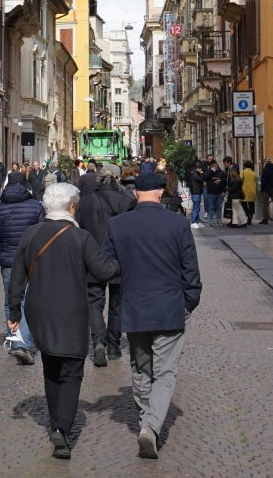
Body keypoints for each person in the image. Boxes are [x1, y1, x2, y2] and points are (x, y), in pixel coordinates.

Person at [8, 182, 119, 460]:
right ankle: (62, 428)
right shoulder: (80, 237)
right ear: (71, 207)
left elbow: (17, 277)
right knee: (72, 371)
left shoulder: (31, 234)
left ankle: (56, 420)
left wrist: (13, 313)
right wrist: (124, 256)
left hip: (39, 312)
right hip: (71, 312)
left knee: (51, 367)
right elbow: (104, 271)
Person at [102, 167, 201, 459]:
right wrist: (189, 302)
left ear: (135, 193)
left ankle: (147, 419)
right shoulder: (178, 224)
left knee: (140, 367)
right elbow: (190, 270)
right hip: (170, 307)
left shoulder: (118, 225)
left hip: (134, 307)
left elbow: (109, 266)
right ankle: (151, 427)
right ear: (160, 192)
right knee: (165, 372)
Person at [78, 166, 134, 366]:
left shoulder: (84, 203)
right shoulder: (126, 201)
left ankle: (99, 341)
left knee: (95, 302)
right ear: (117, 179)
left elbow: (79, 232)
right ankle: (113, 346)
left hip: (92, 258)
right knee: (117, 304)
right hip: (120, 259)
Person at [0, 171, 45, 364]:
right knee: (28, 301)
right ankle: (24, 343)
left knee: (10, 302)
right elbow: (43, 237)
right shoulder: (36, 207)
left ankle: (16, 342)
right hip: (32, 262)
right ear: (25, 186)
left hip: (9, 263)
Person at [203, 158, 227, 228]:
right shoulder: (209, 172)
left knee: (219, 207)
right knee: (211, 207)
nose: (215, 167)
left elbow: (225, 181)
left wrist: (224, 191)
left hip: (220, 193)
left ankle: (218, 220)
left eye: (216, 165)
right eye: (213, 166)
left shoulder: (221, 172)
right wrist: (211, 171)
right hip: (211, 193)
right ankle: (211, 220)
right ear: (211, 166)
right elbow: (205, 178)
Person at [224, 156, 248, 227]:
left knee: (239, 209)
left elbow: (234, 187)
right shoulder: (236, 179)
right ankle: (235, 222)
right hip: (234, 195)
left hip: (235, 195)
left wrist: (228, 188)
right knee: (234, 209)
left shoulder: (236, 180)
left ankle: (244, 222)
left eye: (225, 163)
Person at [187, 159, 207, 228]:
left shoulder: (195, 173)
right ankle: (193, 222)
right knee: (196, 207)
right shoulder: (194, 173)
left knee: (197, 207)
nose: (201, 170)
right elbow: (201, 179)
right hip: (195, 192)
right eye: (200, 168)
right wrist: (201, 173)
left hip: (197, 191)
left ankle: (197, 221)